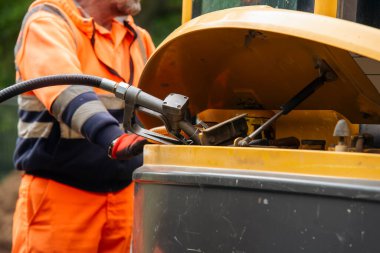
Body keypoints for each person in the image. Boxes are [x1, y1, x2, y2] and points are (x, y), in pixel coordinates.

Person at [12, 0, 155, 251]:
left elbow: (164, 100)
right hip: (60, 198)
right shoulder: (47, 23)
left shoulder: (137, 38)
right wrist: (113, 137)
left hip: (125, 196)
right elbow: (66, 89)